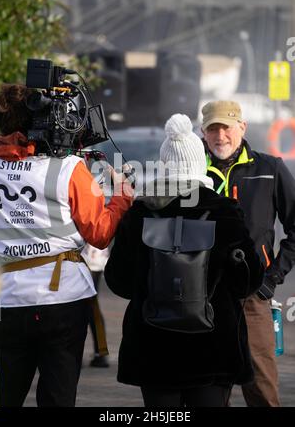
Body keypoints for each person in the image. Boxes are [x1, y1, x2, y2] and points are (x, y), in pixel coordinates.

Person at [105, 113, 263, 408]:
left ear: (164, 164)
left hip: (153, 350)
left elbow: (119, 281)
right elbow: (248, 281)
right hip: (213, 348)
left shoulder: (139, 213)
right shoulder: (224, 211)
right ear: (199, 163)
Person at [0, 84, 134, 407]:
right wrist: (122, 198)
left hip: (5, 300)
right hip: (63, 300)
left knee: (6, 394)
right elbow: (99, 233)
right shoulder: (69, 169)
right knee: (58, 396)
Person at [201, 100, 295, 407]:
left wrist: (272, 277)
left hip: (252, 296)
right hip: (202, 297)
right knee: (209, 389)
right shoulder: (192, 170)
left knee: (261, 388)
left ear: (242, 127)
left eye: (226, 127)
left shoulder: (270, 168)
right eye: (212, 129)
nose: (220, 136)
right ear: (203, 132)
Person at [83, 244, 110, 368]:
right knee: (91, 306)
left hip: (88, 257)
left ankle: (100, 352)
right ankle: (100, 352)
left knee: (88, 307)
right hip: (94, 256)